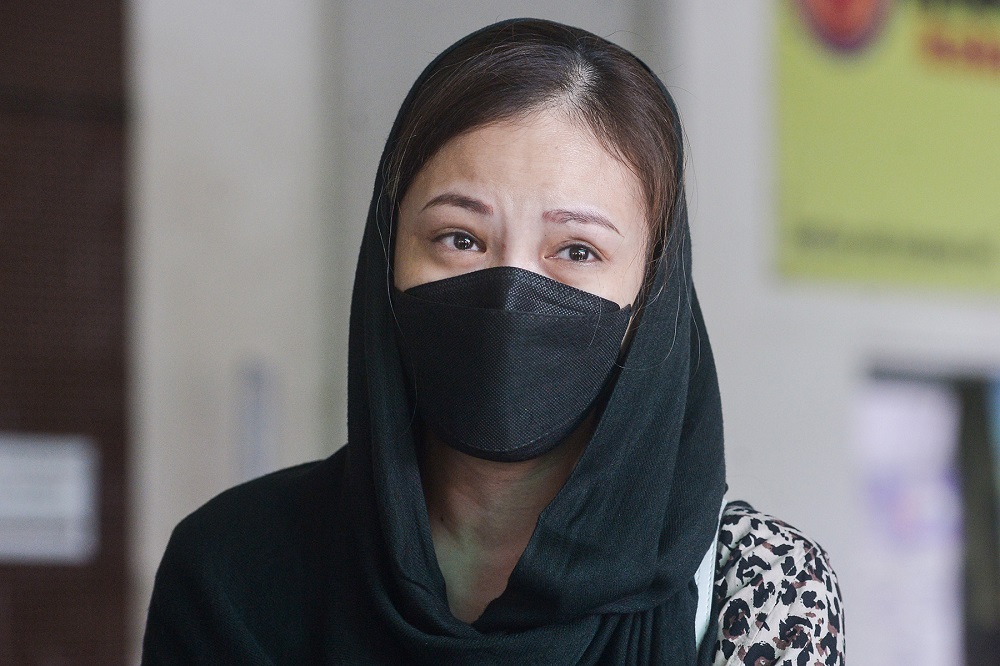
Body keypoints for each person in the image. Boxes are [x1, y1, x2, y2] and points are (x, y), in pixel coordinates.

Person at [142, 18, 844, 665]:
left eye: (575, 250)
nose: (510, 290)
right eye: (460, 238)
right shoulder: (234, 567)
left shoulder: (758, 591)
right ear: (387, 261)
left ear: (652, 296)